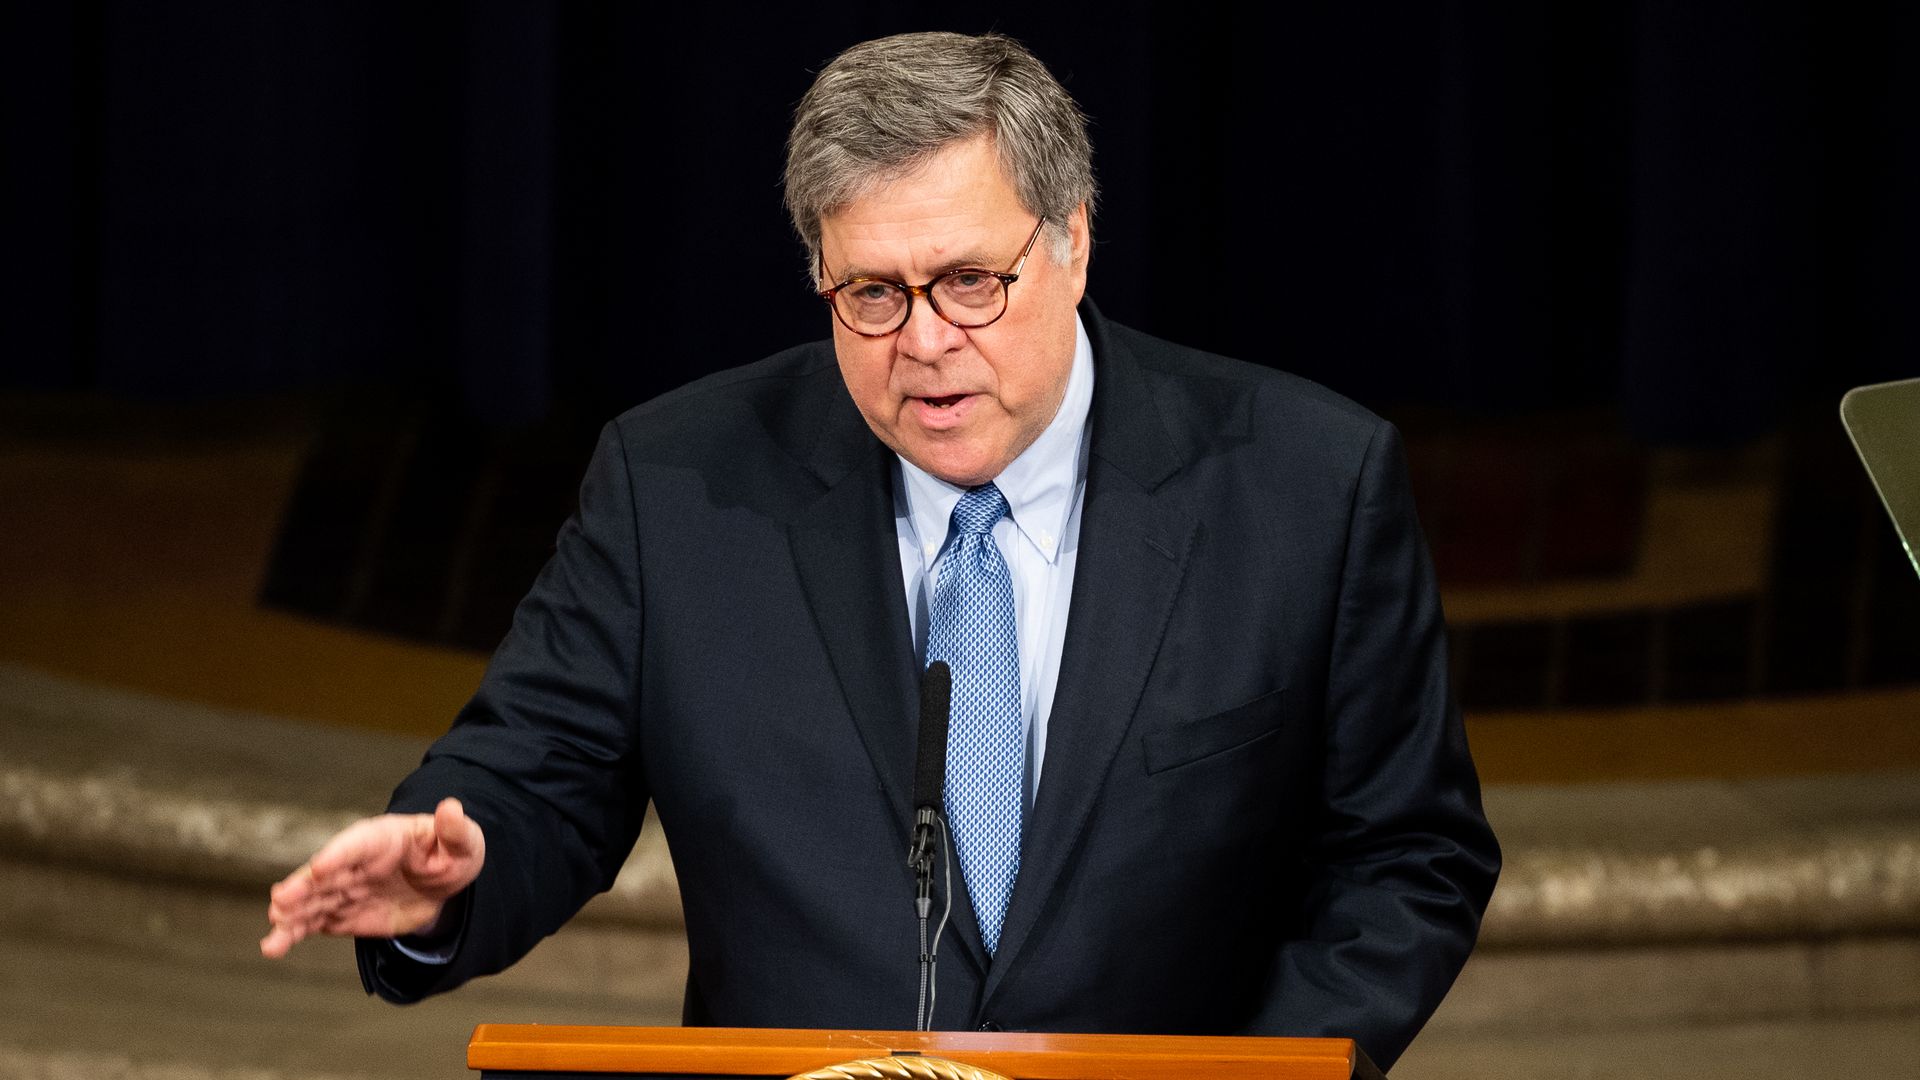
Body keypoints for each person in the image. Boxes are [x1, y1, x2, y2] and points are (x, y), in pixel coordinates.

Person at [262, 30, 1498, 1070]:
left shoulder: (1304, 485)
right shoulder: (681, 483)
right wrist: (455, 866)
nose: (924, 341)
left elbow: (1408, 855)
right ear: (819, 274)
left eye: (969, 282)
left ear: (1071, 241)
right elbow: (542, 769)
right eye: (873, 294)